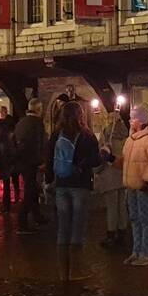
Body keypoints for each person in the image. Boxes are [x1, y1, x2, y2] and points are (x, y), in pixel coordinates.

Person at [46, 101, 101, 281]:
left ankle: (63, 272)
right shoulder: (87, 135)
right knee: (77, 227)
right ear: (80, 115)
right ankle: (75, 271)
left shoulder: (55, 134)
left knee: (63, 227)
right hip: (80, 185)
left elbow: (49, 158)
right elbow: (95, 160)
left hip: (61, 184)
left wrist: (49, 182)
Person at [119, 106, 148, 267]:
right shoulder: (130, 140)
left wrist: (147, 181)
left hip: (143, 186)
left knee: (145, 219)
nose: (130, 121)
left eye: (133, 118)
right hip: (131, 186)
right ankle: (135, 251)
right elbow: (125, 161)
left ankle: (145, 254)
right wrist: (110, 157)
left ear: (141, 120)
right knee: (134, 218)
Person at [95, 110, 130, 246]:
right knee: (121, 204)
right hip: (122, 172)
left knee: (111, 206)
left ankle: (111, 233)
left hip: (110, 173)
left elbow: (101, 154)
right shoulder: (126, 136)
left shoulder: (106, 135)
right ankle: (122, 231)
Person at [13, 98, 47, 234]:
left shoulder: (21, 122)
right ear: (38, 109)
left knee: (32, 189)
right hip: (31, 162)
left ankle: (37, 216)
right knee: (30, 191)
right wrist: (41, 161)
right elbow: (38, 144)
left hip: (22, 162)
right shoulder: (37, 123)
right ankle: (22, 223)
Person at [0, 106, 20, 214]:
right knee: (8, 181)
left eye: (4, 112)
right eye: (1, 112)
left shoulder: (8, 124)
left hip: (9, 156)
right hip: (5, 157)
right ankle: (8, 204)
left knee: (12, 180)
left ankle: (14, 202)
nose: (2, 114)